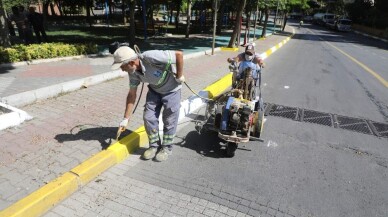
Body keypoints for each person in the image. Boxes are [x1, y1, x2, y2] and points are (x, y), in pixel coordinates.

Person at [111, 46, 185, 162]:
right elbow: (132, 94)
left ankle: (166, 148)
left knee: (170, 120)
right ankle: (154, 146)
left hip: (172, 90)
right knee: (148, 117)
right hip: (154, 91)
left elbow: (178, 54)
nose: (122, 70)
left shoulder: (150, 57)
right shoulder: (133, 72)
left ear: (131, 62)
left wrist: (179, 75)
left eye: (122, 66)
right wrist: (126, 118)